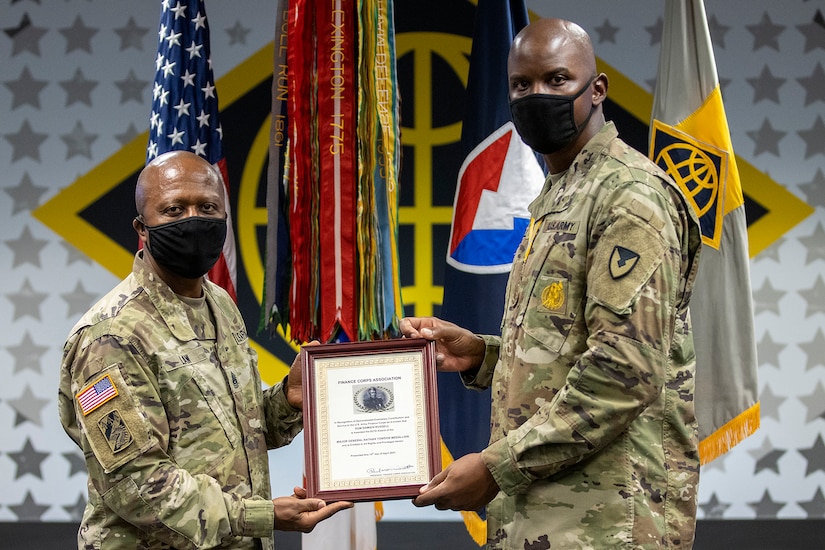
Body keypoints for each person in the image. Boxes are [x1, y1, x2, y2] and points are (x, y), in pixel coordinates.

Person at [400, 18, 702, 549]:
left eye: (557, 80)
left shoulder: (628, 197)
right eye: (522, 85)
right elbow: (568, 351)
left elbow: (622, 371)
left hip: (609, 524)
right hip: (543, 521)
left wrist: (498, 467)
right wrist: (482, 356)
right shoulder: (563, 192)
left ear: (597, 89)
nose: (537, 96)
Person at [58, 150, 352, 549]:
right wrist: (261, 516)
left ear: (224, 217)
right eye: (174, 210)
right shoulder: (111, 335)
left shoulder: (220, 305)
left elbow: (231, 432)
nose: (193, 220)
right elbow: (137, 485)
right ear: (142, 228)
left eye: (207, 207)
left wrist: (290, 399)